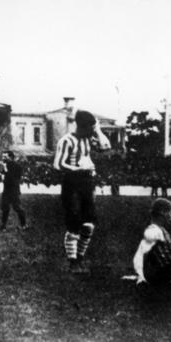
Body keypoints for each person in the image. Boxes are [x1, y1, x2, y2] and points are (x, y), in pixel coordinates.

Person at [53, 110, 110, 274]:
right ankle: (73, 263)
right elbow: (58, 164)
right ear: (81, 126)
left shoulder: (88, 139)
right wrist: (79, 168)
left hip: (87, 182)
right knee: (74, 224)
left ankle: (79, 259)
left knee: (89, 225)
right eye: (90, 128)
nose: (92, 131)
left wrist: (98, 130)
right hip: (72, 182)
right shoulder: (67, 140)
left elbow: (106, 146)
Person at [0, 151, 28, 230]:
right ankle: (3, 225)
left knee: (17, 207)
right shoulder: (5, 165)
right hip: (6, 190)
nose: (3, 158)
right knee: (5, 207)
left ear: (11, 157)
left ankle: (23, 224)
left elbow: (13, 179)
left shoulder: (17, 166)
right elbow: (3, 177)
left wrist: (5, 169)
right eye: (3, 156)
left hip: (13, 190)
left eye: (5, 157)